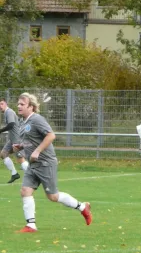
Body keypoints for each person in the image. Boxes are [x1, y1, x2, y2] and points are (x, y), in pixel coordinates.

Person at [12, 93, 92, 233]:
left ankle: (82, 207)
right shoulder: (23, 122)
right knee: (25, 191)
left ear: (31, 107)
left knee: (53, 197)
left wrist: (37, 151)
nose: (18, 106)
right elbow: (32, 140)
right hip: (33, 164)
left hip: (45, 163)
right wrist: (21, 146)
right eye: (18, 104)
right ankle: (31, 225)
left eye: (22, 104)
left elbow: (51, 135)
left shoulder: (37, 119)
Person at [0, 98, 29, 183]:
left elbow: (11, 124)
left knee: (20, 159)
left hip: (17, 139)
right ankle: (14, 174)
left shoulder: (9, 112)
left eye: (1, 104)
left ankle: (32, 176)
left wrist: (1, 130)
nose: (0, 106)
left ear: (6, 104)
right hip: (12, 139)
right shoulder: (6, 113)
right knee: (3, 154)